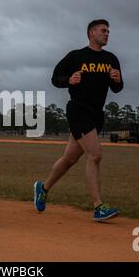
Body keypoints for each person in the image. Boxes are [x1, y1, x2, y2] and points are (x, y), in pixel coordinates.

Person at [34, 19, 123, 221]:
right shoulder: (76, 56)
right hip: (78, 109)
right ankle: (98, 207)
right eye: (103, 30)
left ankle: (43, 187)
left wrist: (117, 80)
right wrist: (69, 80)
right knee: (95, 154)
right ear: (92, 33)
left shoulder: (111, 59)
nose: (107, 34)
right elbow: (55, 78)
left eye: (108, 31)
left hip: (96, 113)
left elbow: (117, 88)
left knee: (70, 158)